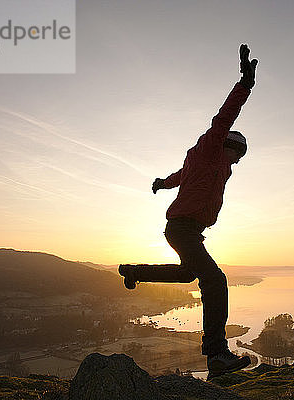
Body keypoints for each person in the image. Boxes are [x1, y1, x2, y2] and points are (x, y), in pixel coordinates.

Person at [119, 43, 258, 379]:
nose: (237, 162)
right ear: (231, 145)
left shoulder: (211, 163)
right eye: (238, 155)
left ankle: (133, 271)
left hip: (187, 229)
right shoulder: (211, 148)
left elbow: (182, 177)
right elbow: (224, 116)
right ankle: (217, 354)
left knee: (187, 275)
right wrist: (245, 85)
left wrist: (161, 184)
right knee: (214, 280)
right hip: (182, 227)